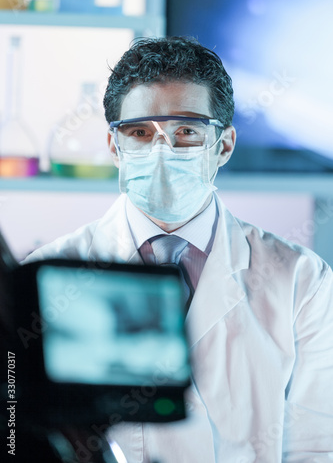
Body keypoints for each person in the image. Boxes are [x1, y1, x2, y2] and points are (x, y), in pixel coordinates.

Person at [24, 37, 333, 462]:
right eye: (139, 132)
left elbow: (317, 446)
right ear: (115, 147)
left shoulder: (303, 280)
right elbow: (23, 436)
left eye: (186, 131)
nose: (162, 151)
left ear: (223, 145)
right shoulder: (49, 276)